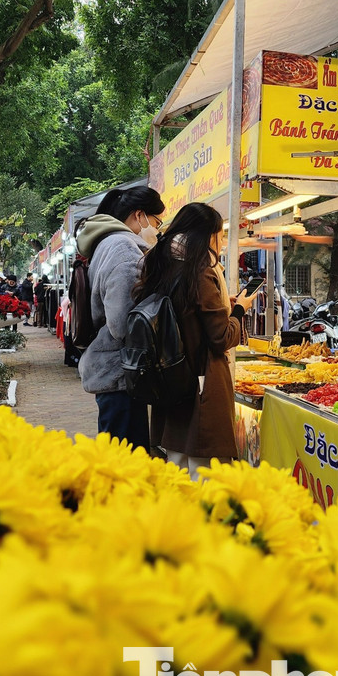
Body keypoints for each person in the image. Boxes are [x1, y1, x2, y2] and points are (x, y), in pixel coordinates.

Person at [135, 202, 256, 478]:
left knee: (176, 465)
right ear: (207, 236)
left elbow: (187, 313)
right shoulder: (200, 271)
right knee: (202, 472)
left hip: (170, 378)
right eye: (220, 234)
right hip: (199, 383)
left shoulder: (163, 263)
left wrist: (223, 303)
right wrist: (238, 310)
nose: (223, 241)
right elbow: (221, 336)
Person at [75, 185, 167, 449]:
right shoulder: (124, 249)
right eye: (157, 221)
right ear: (140, 216)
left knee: (116, 454)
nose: (157, 229)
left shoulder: (106, 245)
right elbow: (121, 323)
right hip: (121, 373)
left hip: (113, 370)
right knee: (127, 461)